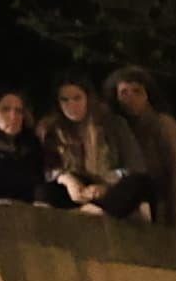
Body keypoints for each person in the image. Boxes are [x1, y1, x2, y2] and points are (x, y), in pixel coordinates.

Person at [104, 67, 176, 226]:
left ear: (147, 95)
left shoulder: (164, 126)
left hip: (162, 204)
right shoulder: (117, 128)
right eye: (124, 92)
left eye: (136, 91)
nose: (130, 98)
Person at [39, 79, 124, 212]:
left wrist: (105, 186)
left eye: (77, 98)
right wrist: (68, 180)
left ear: (88, 99)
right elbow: (50, 168)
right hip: (76, 188)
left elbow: (130, 167)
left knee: (137, 184)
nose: (71, 105)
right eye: (65, 100)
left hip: (108, 183)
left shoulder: (110, 124)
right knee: (45, 191)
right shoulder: (52, 129)